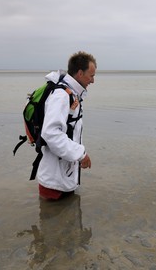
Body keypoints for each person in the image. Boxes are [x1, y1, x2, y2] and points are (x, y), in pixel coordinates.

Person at [37, 51, 96, 200]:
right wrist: (80, 154)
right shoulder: (61, 95)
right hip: (54, 184)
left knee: (67, 221)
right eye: (91, 75)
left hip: (62, 178)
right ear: (80, 73)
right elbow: (50, 133)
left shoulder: (72, 94)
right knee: (54, 222)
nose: (93, 80)